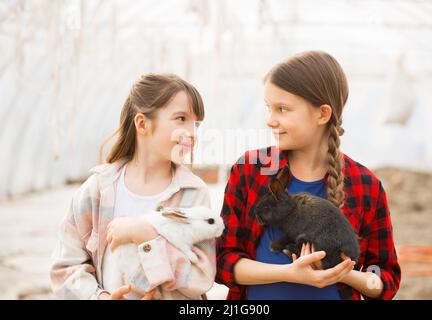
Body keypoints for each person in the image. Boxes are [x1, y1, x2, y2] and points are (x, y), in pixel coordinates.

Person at [216, 51, 401, 300]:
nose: (270, 120)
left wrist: (342, 272)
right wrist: (289, 273)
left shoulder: (365, 185)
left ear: (322, 114)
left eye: (282, 109)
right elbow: (223, 260)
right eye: (269, 108)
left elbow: (384, 277)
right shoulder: (251, 169)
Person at [50, 73, 215, 300]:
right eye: (181, 119)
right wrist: (100, 298)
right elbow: (64, 268)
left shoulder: (194, 193)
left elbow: (201, 277)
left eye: (196, 124)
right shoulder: (98, 189)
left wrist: (147, 236)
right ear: (142, 123)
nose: (193, 133)